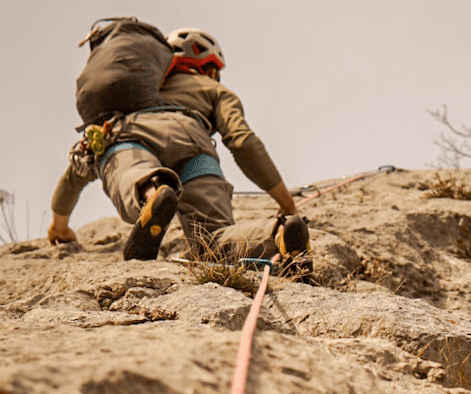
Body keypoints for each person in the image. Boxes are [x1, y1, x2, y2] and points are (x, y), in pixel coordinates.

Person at [48, 25, 312, 278]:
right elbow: (242, 141)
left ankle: (153, 192)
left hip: (132, 133)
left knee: (133, 171)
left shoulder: (140, 90)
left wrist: (59, 226)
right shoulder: (216, 90)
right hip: (195, 147)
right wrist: (286, 205)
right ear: (208, 69)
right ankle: (278, 234)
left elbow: (76, 174)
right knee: (211, 238)